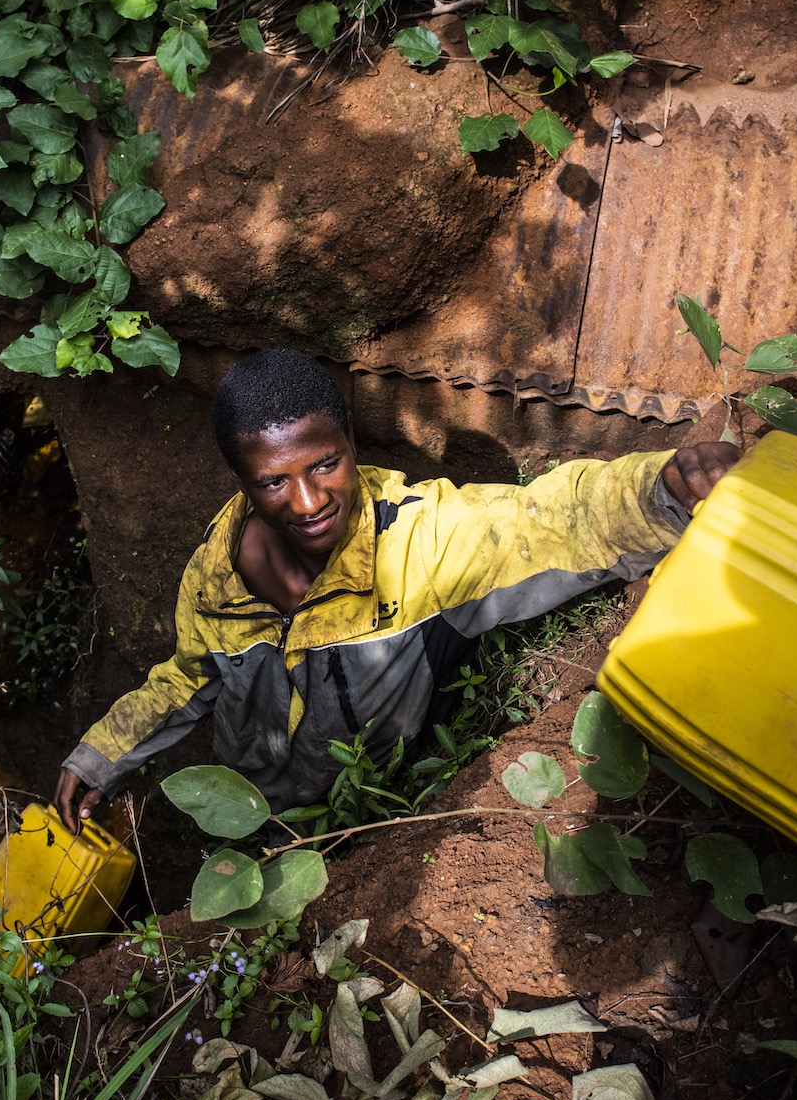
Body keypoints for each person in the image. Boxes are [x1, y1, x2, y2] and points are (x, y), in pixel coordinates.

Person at [54, 349, 738, 833]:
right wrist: (103, 753)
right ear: (239, 478)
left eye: (326, 463)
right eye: (272, 481)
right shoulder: (212, 572)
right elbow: (188, 678)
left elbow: (547, 521)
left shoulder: (417, 540)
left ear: (351, 441)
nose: (308, 500)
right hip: (250, 803)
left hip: (368, 810)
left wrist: (664, 489)